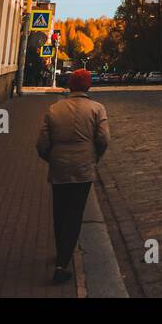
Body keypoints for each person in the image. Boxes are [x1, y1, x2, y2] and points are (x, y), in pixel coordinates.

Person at [35, 69, 110, 285]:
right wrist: (95, 155)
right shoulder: (96, 109)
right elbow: (104, 138)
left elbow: (41, 143)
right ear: (88, 86)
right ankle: (62, 263)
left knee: (59, 211)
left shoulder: (54, 109)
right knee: (75, 213)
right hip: (83, 167)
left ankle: (61, 252)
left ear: (70, 85)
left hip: (59, 166)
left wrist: (51, 157)